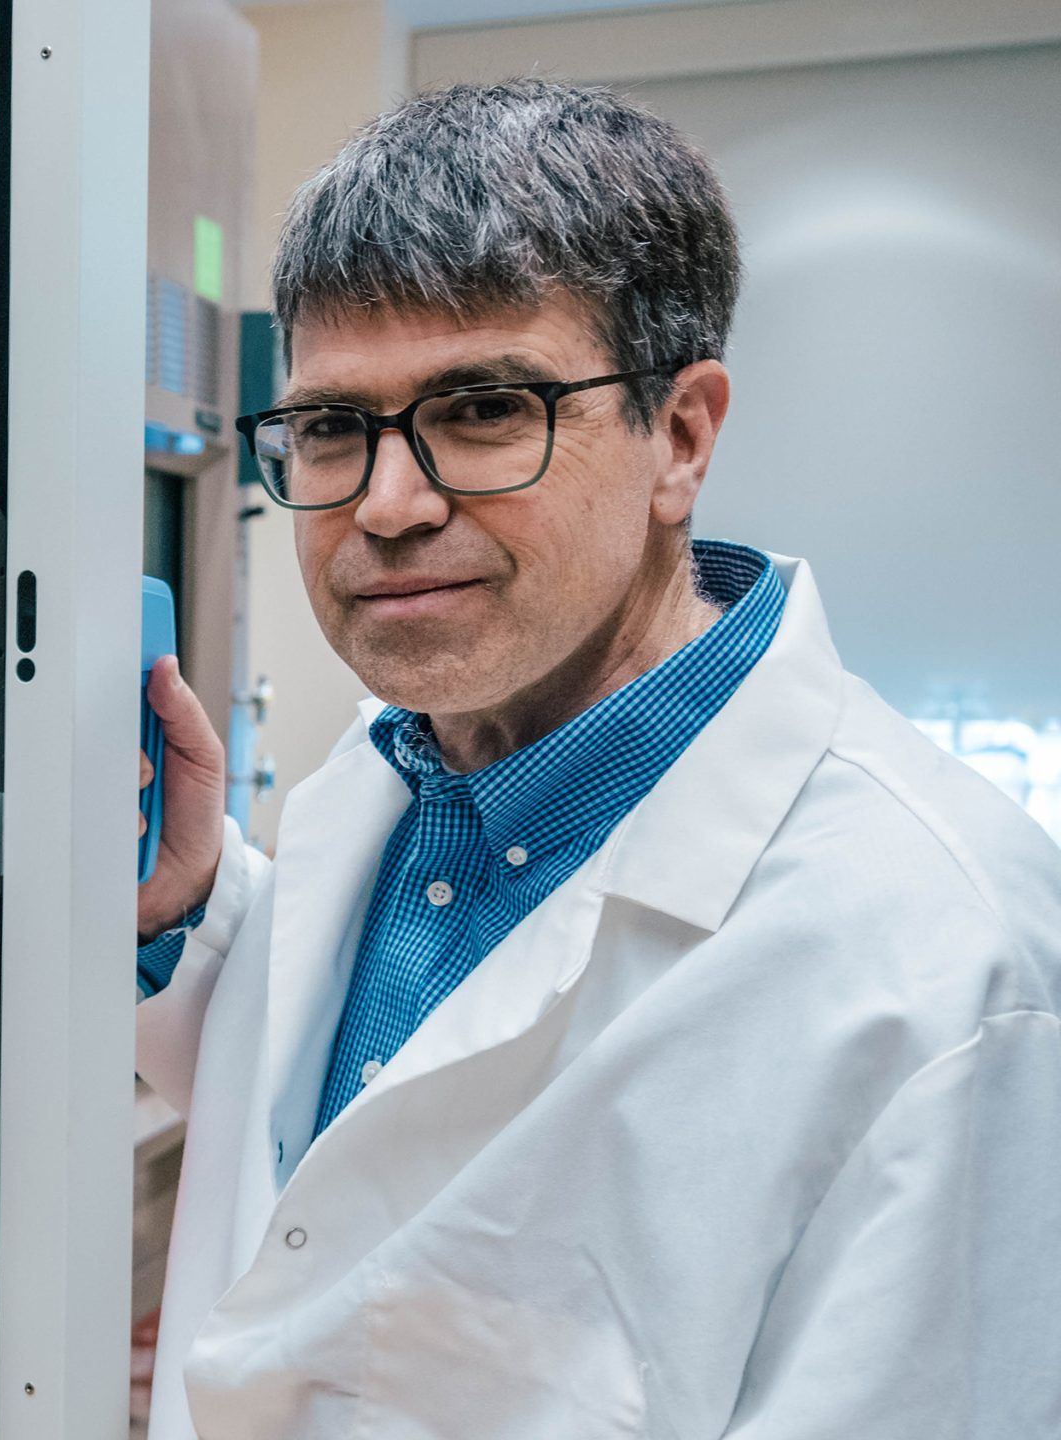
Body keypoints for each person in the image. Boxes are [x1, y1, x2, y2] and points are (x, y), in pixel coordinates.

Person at [134, 78, 1061, 1439]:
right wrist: (191, 918)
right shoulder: (400, 780)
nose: (389, 506)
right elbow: (365, 1146)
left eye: (485, 409)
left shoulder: (941, 969)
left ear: (679, 436)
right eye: (334, 429)